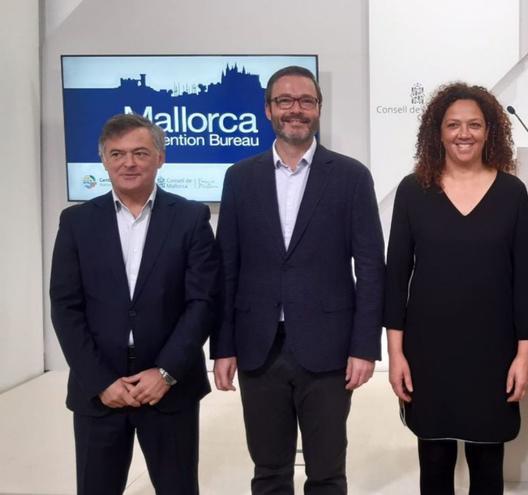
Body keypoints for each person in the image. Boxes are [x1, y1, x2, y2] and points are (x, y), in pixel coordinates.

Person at [211, 65, 385, 494]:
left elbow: (370, 266)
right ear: (268, 109)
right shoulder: (239, 178)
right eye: (285, 101)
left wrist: (365, 347)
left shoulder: (351, 177)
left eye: (306, 101)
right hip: (258, 347)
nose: (296, 110)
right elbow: (226, 268)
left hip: (329, 349)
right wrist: (224, 346)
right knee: (268, 471)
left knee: (326, 471)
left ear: (319, 109)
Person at [384, 82, 528, 495]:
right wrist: (396, 354)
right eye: (453, 124)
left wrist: (524, 357)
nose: (464, 133)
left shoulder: (511, 193)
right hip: (428, 353)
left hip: (493, 353)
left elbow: (526, 279)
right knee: (434, 463)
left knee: (488, 466)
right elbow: (396, 277)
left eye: (474, 124)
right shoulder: (412, 191)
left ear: (490, 131)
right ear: (437, 132)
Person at [49, 113, 220, 494]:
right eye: (118, 154)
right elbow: (65, 306)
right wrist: (100, 381)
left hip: (169, 385)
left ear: (160, 158)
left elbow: (203, 301)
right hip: (99, 387)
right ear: (104, 160)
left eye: (140, 153)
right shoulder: (76, 222)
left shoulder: (191, 218)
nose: (129, 163)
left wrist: (166, 372)